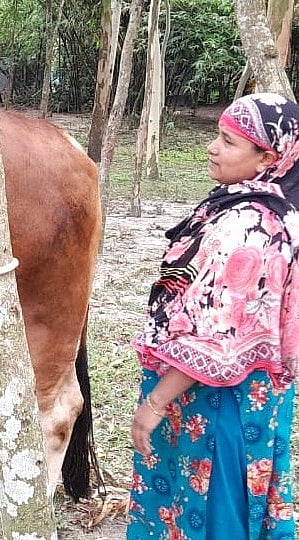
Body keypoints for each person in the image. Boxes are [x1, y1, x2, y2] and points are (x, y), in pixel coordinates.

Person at [127, 92, 299, 539]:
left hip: (220, 404)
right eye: (217, 135)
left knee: (215, 512)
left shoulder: (246, 229)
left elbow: (216, 339)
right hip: (250, 397)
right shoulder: (259, 209)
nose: (212, 147)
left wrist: (154, 405)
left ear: (268, 157)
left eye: (229, 141)